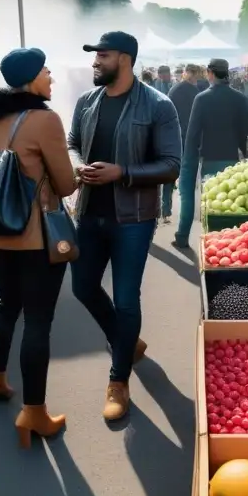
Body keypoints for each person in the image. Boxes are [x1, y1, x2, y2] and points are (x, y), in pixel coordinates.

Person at [68, 31, 181, 421]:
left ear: (126, 59)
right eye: (95, 55)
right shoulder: (87, 101)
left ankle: (118, 380)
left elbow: (171, 165)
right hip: (88, 213)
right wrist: (74, 165)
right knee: (82, 287)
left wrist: (123, 173)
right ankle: (126, 340)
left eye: (102, 55)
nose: (95, 61)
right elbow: (71, 142)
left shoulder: (157, 105)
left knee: (126, 299)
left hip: (133, 218)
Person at [0, 48, 77, 448]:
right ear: (32, 78)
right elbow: (65, 184)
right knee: (38, 320)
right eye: (46, 70)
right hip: (33, 236)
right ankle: (34, 412)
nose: (51, 76)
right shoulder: (44, 120)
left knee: (6, 304)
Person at [173, 59, 248, 248]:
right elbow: (244, 133)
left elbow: (192, 134)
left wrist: (188, 163)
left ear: (210, 73)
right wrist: (244, 154)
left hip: (207, 157)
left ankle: (183, 236)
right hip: (231, 158)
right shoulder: (241, 99)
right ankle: (229, 243)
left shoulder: (202, 98)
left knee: (194, 196)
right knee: (228, 201)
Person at [166, 64, 201, 223]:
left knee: (170, 172)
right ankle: (186, 210)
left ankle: (165, 208)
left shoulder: (174, 89)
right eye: (196, 76)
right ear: (191, 75)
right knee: (187, 174)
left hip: (173, 136)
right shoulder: (195, 92)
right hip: (189, 138)